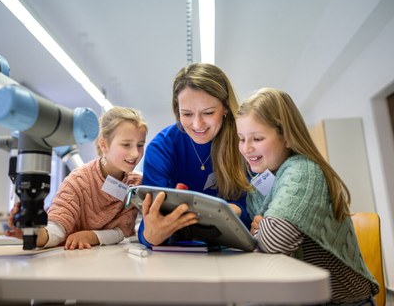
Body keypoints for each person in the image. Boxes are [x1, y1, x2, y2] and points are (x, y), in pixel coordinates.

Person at [235, 87, 379, 305]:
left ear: (287, 137)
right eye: (241, 138)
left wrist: (261, 229)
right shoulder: (263, 180)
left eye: (257, 138)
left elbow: (275, 242)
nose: (246, 148)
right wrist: (263, 229)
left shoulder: (302, 170)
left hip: (343, 302)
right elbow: (263, 238)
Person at [138, 62, 251, 247]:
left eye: (208, 112)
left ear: (225, 108)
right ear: (177, 111)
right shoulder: (162, 147)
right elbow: (148, 224)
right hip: (177, 254)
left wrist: (235, 211)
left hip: (231, 253)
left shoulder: (244, 142)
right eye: (187, 114)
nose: (197, 124)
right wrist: (151, 236)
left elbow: (253, 211)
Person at [6, 106, 148, 250]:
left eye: (140, 145)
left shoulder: (135, 185)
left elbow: (122, 231)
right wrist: (35, 234)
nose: (135, 154)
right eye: (126, 145)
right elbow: (57, 227)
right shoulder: (78, 181)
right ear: (103, 144)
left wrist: (91, 236)